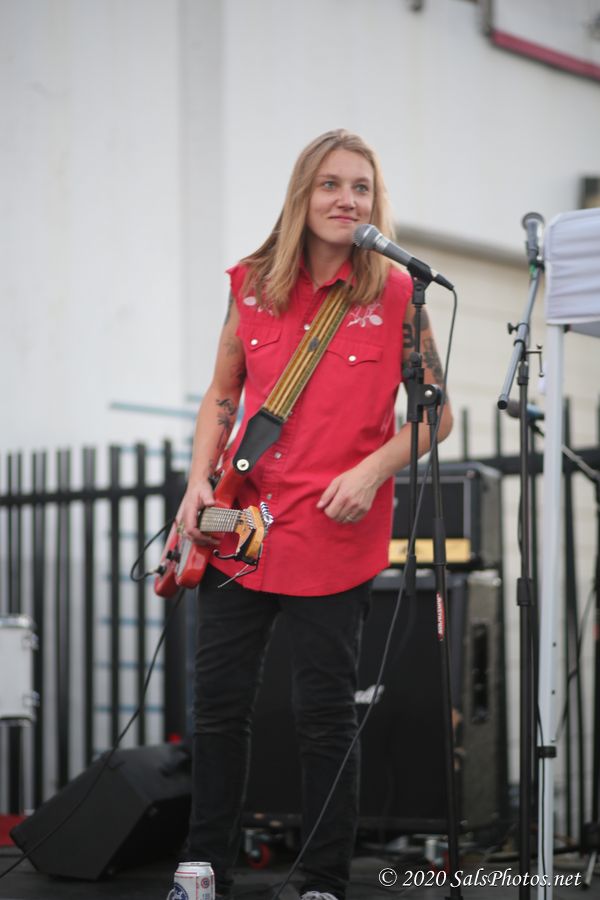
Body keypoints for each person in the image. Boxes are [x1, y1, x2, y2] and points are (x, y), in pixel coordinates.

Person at [175, 129, 453, 900]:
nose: (346, 199)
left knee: (324, 715)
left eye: (361, 187)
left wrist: (371, 471)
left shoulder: (398, 293)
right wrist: (197, 482)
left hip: (335, 530)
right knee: (219, 705)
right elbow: (223, 392)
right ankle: (202, 865)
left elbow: (436, 415)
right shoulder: (250, 283)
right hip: (241, 525)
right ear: (303, 194)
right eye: (331, 184)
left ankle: (323, 878)